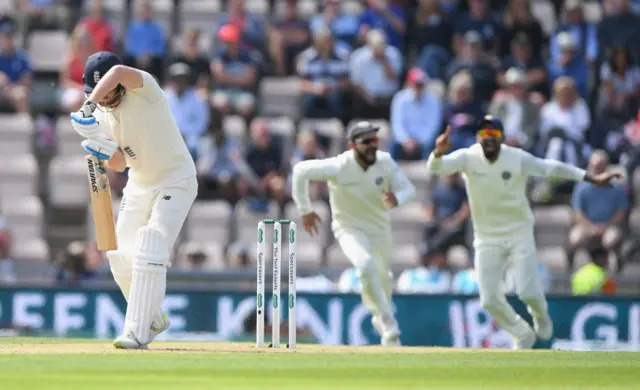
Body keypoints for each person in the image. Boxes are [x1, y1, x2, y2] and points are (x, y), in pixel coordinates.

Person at [425, 115, 621, 349]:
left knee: (527, 292)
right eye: (484, 134)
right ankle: (521, 332)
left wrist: (591, 178)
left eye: (494, 134)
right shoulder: (468, 157)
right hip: (486, 237)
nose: (489, 139)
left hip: (519, 232)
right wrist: (438, 151)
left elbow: (550, 168)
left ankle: (541, 315)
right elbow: (435, 167)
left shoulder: (515, 157)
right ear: (478, 137)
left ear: (502, 138)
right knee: (489, 300)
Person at [69, 51, 198, 349]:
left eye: (102, 95)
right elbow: (119, 164)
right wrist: (99, 145)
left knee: (150, 241)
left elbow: (116, 72)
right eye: (94, 96)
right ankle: (153, 318)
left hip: (176, 180)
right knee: (117, 254)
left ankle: (136, 332)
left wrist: (87, 106)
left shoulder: (146, 89)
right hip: (139, 184)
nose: (101, 101)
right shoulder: (101, 114)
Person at [292, 121, 416, 346]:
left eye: (374, 140)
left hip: (379, 228)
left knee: (383, 279)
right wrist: (305, 210)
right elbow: (300, 170)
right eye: (366, 141)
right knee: (365, 264)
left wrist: (397, 198)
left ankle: (380, 317)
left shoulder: (385, 162)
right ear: (351, 144)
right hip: (348, 228)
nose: (372, 146)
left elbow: (409, 189)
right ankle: (388, 324)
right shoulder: (339, 166)